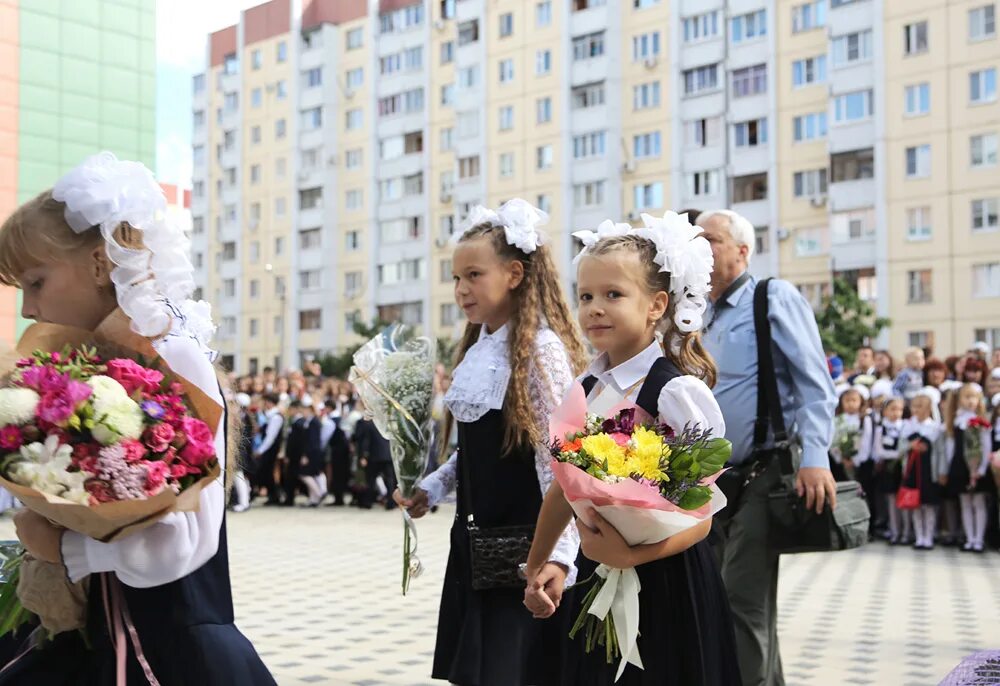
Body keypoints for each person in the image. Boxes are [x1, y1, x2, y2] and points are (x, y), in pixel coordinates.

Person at [0, 152, 274, 684]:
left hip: (169, 646)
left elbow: (185, 543)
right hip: (112, 636)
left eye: (36, 283)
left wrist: (61, 548)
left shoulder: (171, 353)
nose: (28, 309)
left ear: (100, 266)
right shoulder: (94, 363)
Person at [523, 215, 741, 686]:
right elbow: (564, 489)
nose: (595, 308)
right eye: (585, 296)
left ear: (655, 305)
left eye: (613, 295)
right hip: (594, 571)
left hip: (667, 580)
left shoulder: (676, 391)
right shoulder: (582, 388)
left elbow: (702, 517)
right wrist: (538, 565)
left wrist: (632, 557)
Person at [395, 199, 588, 686]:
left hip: (525, 551)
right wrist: (431, 489)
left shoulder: (541, 350)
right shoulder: (480, 348)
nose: (461, 290)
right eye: (456, 278)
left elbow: (560, 466)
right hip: (478, 548)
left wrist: (559, 558)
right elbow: (481, 450)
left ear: (516, 274)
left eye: (474, 275)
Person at [696, 208, 837, 686]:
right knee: (716, 595)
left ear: (742, 250)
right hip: (712, 479)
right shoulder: (698, 313)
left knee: (742, 599)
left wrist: (815, 459)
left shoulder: (771, 297)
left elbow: (816, 386)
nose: (702, 248)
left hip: (763, 472)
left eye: (710, 239)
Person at [942, 384, 994, 552]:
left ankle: (978, 539)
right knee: (965, 503)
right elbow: (951, 447)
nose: (971, 401)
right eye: (967, 396)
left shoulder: (982, 422)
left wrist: (982, 468)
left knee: (978, 503)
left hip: (977, 467)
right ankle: (969, 539)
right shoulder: (956, 421)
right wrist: (948, 469)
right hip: (959, 467)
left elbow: (986, 447)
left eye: (974, 397)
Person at [901, 389, 946, 550]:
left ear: (929, 409)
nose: (916, 410)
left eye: (920, 406)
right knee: (916, 505)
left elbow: (941, 452)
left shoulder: (935, 428)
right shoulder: (907, 426)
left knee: (929, 506)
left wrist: (942, 472)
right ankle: (919, 537)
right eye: (914, 406)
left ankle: (929, 536)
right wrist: (909, 446)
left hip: (929, 472)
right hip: (913, 470)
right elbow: (901, 446)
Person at [874, 398, 910, 544]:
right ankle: (894, 531)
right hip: (889, 468)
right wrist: (897, 454)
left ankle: (907, 532)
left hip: (904, 468)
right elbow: (879, 450)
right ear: (885, 411)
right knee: (891, 500)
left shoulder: (906, 426)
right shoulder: (880, 428)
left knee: (905, 501)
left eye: (899, 409)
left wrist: (903, 454)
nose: (896, 413)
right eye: (892, 409)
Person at [355, 414, 395, 510]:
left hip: (375, 456)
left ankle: (368, 502)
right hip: (388, 456)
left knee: (371, 480)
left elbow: (366, 441)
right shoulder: (389, 425)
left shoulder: (370, 424)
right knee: (389, 480)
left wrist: (363, 456)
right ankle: (391, 502)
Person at [254, 393, 285, 506]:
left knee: (266, 471)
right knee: (266, 472)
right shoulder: (271, 416)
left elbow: (270, 437)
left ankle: (274, 495)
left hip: (271, 449)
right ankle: (273, 495)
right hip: (269, 448)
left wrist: (260, 450)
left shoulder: (276, 417)